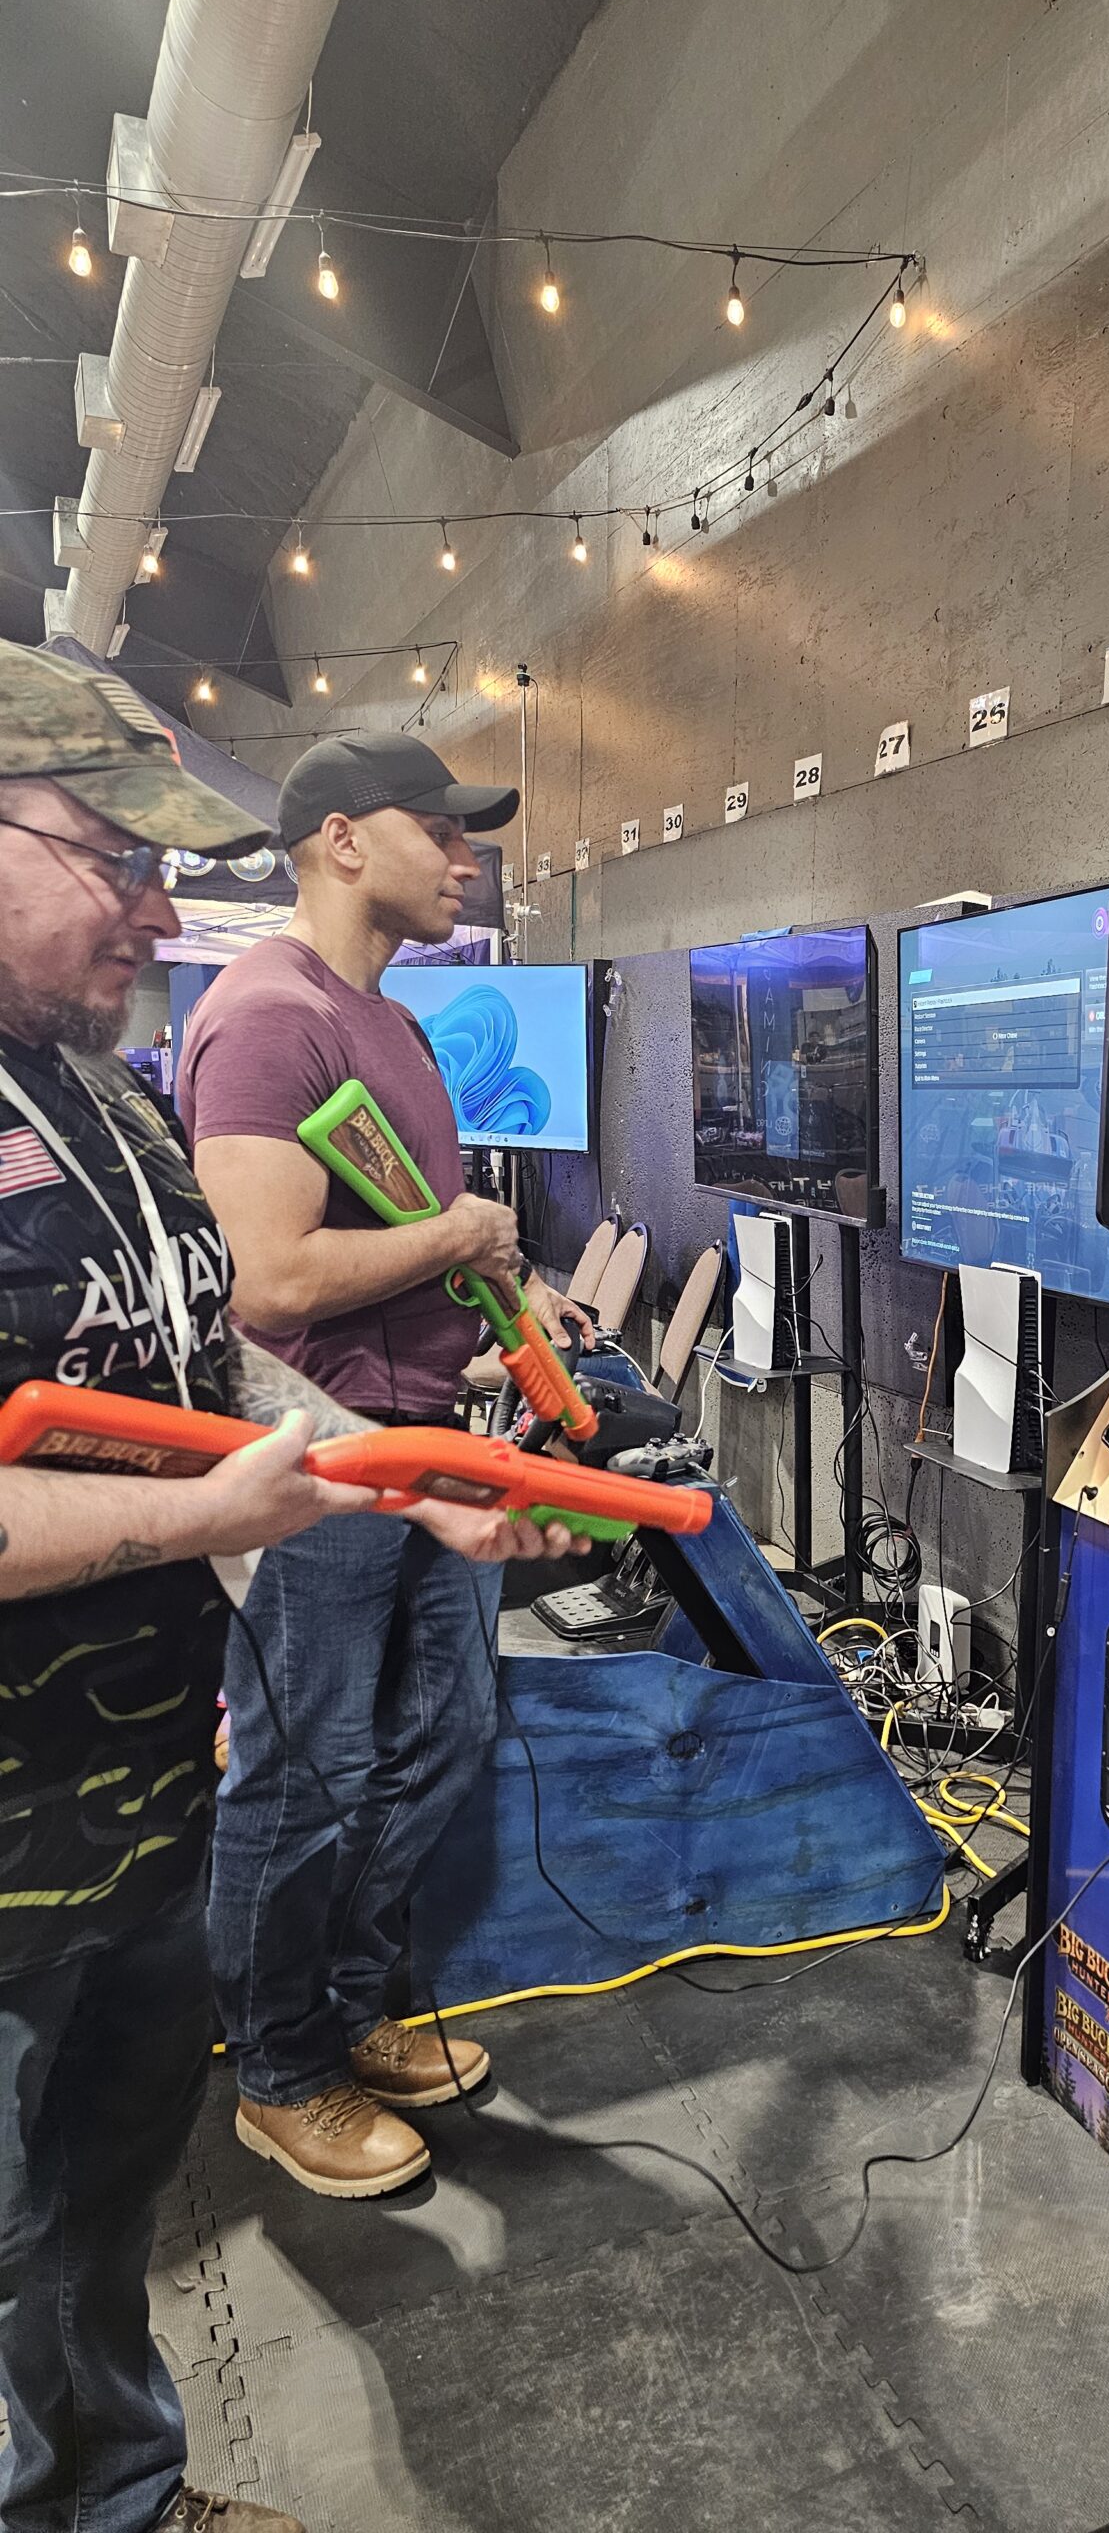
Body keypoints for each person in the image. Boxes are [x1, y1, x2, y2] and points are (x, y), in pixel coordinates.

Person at [0, 643, 578, 2533]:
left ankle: (123, 2493)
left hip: (126, 1804)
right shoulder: (254, 1027)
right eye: (113, 859)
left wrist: (404, 1479)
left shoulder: (91, 1099)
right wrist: (217, 1516)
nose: (166, 911)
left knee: (85, 2219)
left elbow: (211, 1347)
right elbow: (264, 1312)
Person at [176, 731, 593, 2200]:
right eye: (444, 830)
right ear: (345, 840)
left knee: (442, 1735)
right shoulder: (265, 1018)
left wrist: (501, 1309)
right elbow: (273, 1278)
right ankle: (280, 2071)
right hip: (319, 1466)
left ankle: (351, 2010)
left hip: (427, 1448)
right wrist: (464, 1233)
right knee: (306, 1773)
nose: (469, 858)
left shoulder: (393, 1026)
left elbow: (394, 1252)